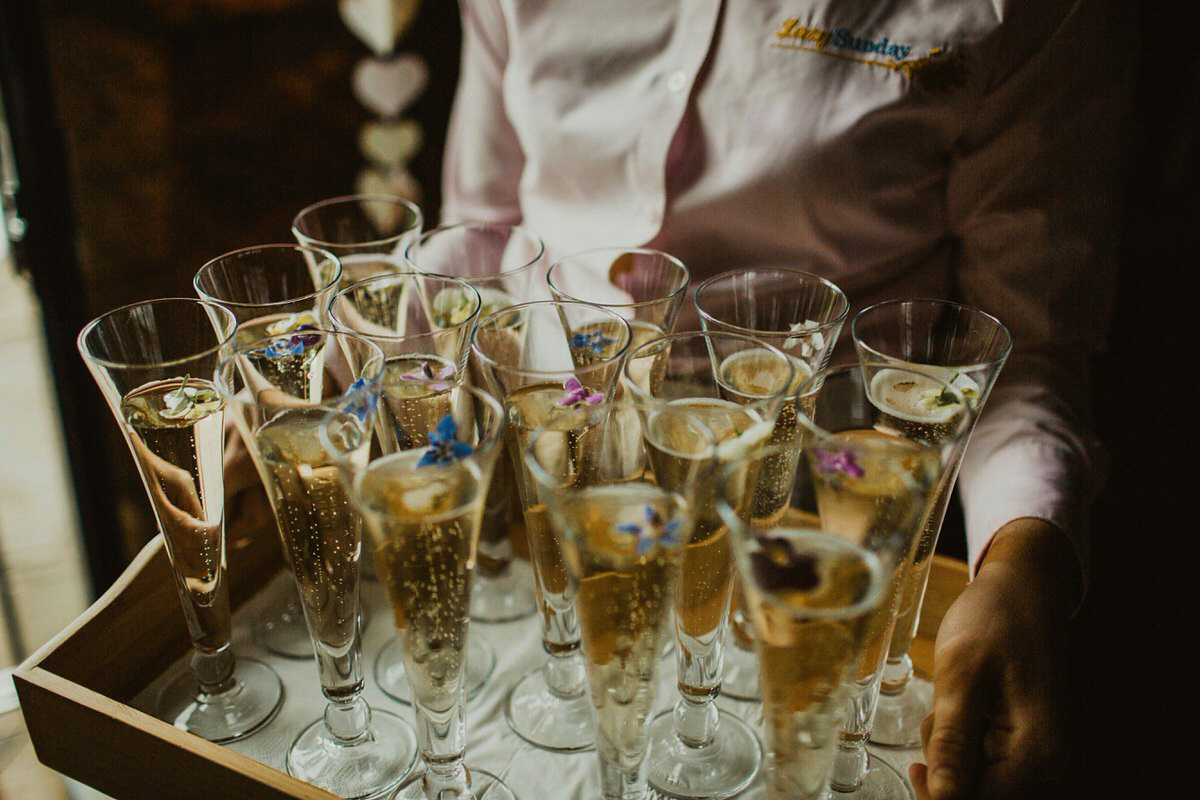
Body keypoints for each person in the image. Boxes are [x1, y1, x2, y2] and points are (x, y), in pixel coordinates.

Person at [438, 1, 1131, 798]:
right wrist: (328, 411)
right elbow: (482, 243)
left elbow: (1019, 347)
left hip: (831, 498)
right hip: (558, 459)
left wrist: (1023, 567)